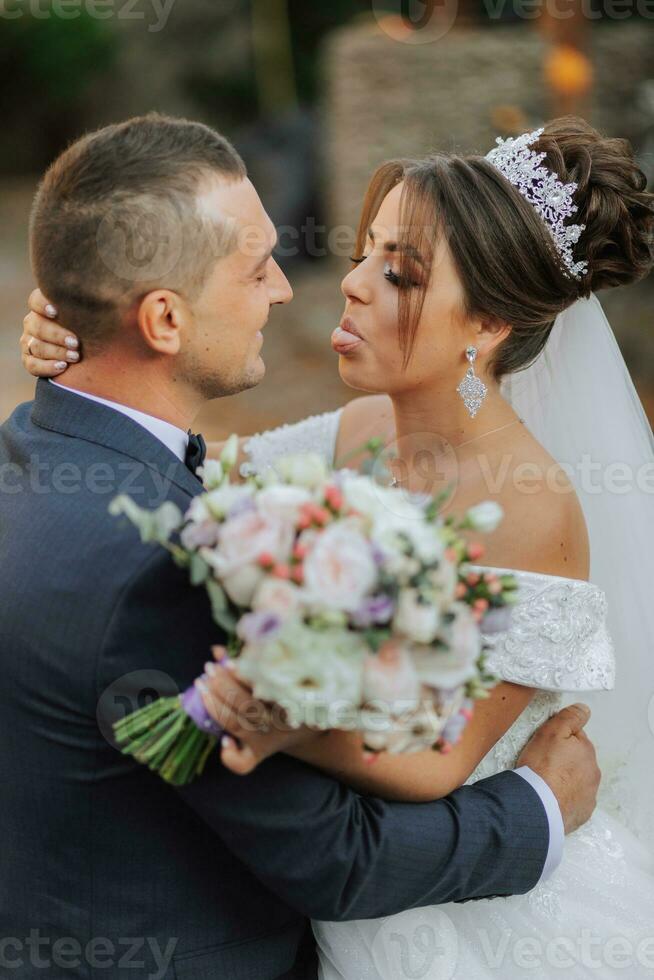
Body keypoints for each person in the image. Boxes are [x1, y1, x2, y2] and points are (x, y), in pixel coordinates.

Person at [2, 113, 601, 980]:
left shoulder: (529, 509)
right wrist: (538, 807)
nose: (326, 287)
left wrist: (84, 366)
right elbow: (335, 856)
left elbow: (434, 757)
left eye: (396, 272)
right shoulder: (335, 447)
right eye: (364, 253)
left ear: (489, 323)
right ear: (165, 318)